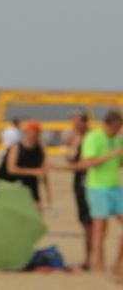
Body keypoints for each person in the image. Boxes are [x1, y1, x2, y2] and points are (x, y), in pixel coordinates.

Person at [77, 110, 123, 276]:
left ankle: (118, 264)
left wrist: (115, 156)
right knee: (100, 229)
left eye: (119, 129)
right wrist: (109, 155)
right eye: (114, 129)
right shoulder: (93, 138)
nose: (116, 132)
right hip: (97, 188)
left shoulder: (118, 140)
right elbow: (86, 162)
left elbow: (119, 164)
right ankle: (99, 265)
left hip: (115, 188)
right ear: (107, 126)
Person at [0, 119, 49, 212]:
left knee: (38, 210)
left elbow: (43, 172)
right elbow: (11, 169)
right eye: (31, 134)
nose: (33, 137)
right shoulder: (16, 147)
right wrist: (35, 172)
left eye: (35, 135)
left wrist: (48, 193)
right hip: (8, 181)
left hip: (29, 181)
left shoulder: (39, 151)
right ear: (26, 133)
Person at [66, 111, 93, 269]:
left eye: (76, 123)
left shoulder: (89, 138)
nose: (74, 126)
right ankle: (89, 258)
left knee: (91, 224)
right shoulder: (76, 138)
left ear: (84, 122)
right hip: (78, 182)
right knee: (84, 222)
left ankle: (90, 259)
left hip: (88, 183)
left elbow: (84, 163)